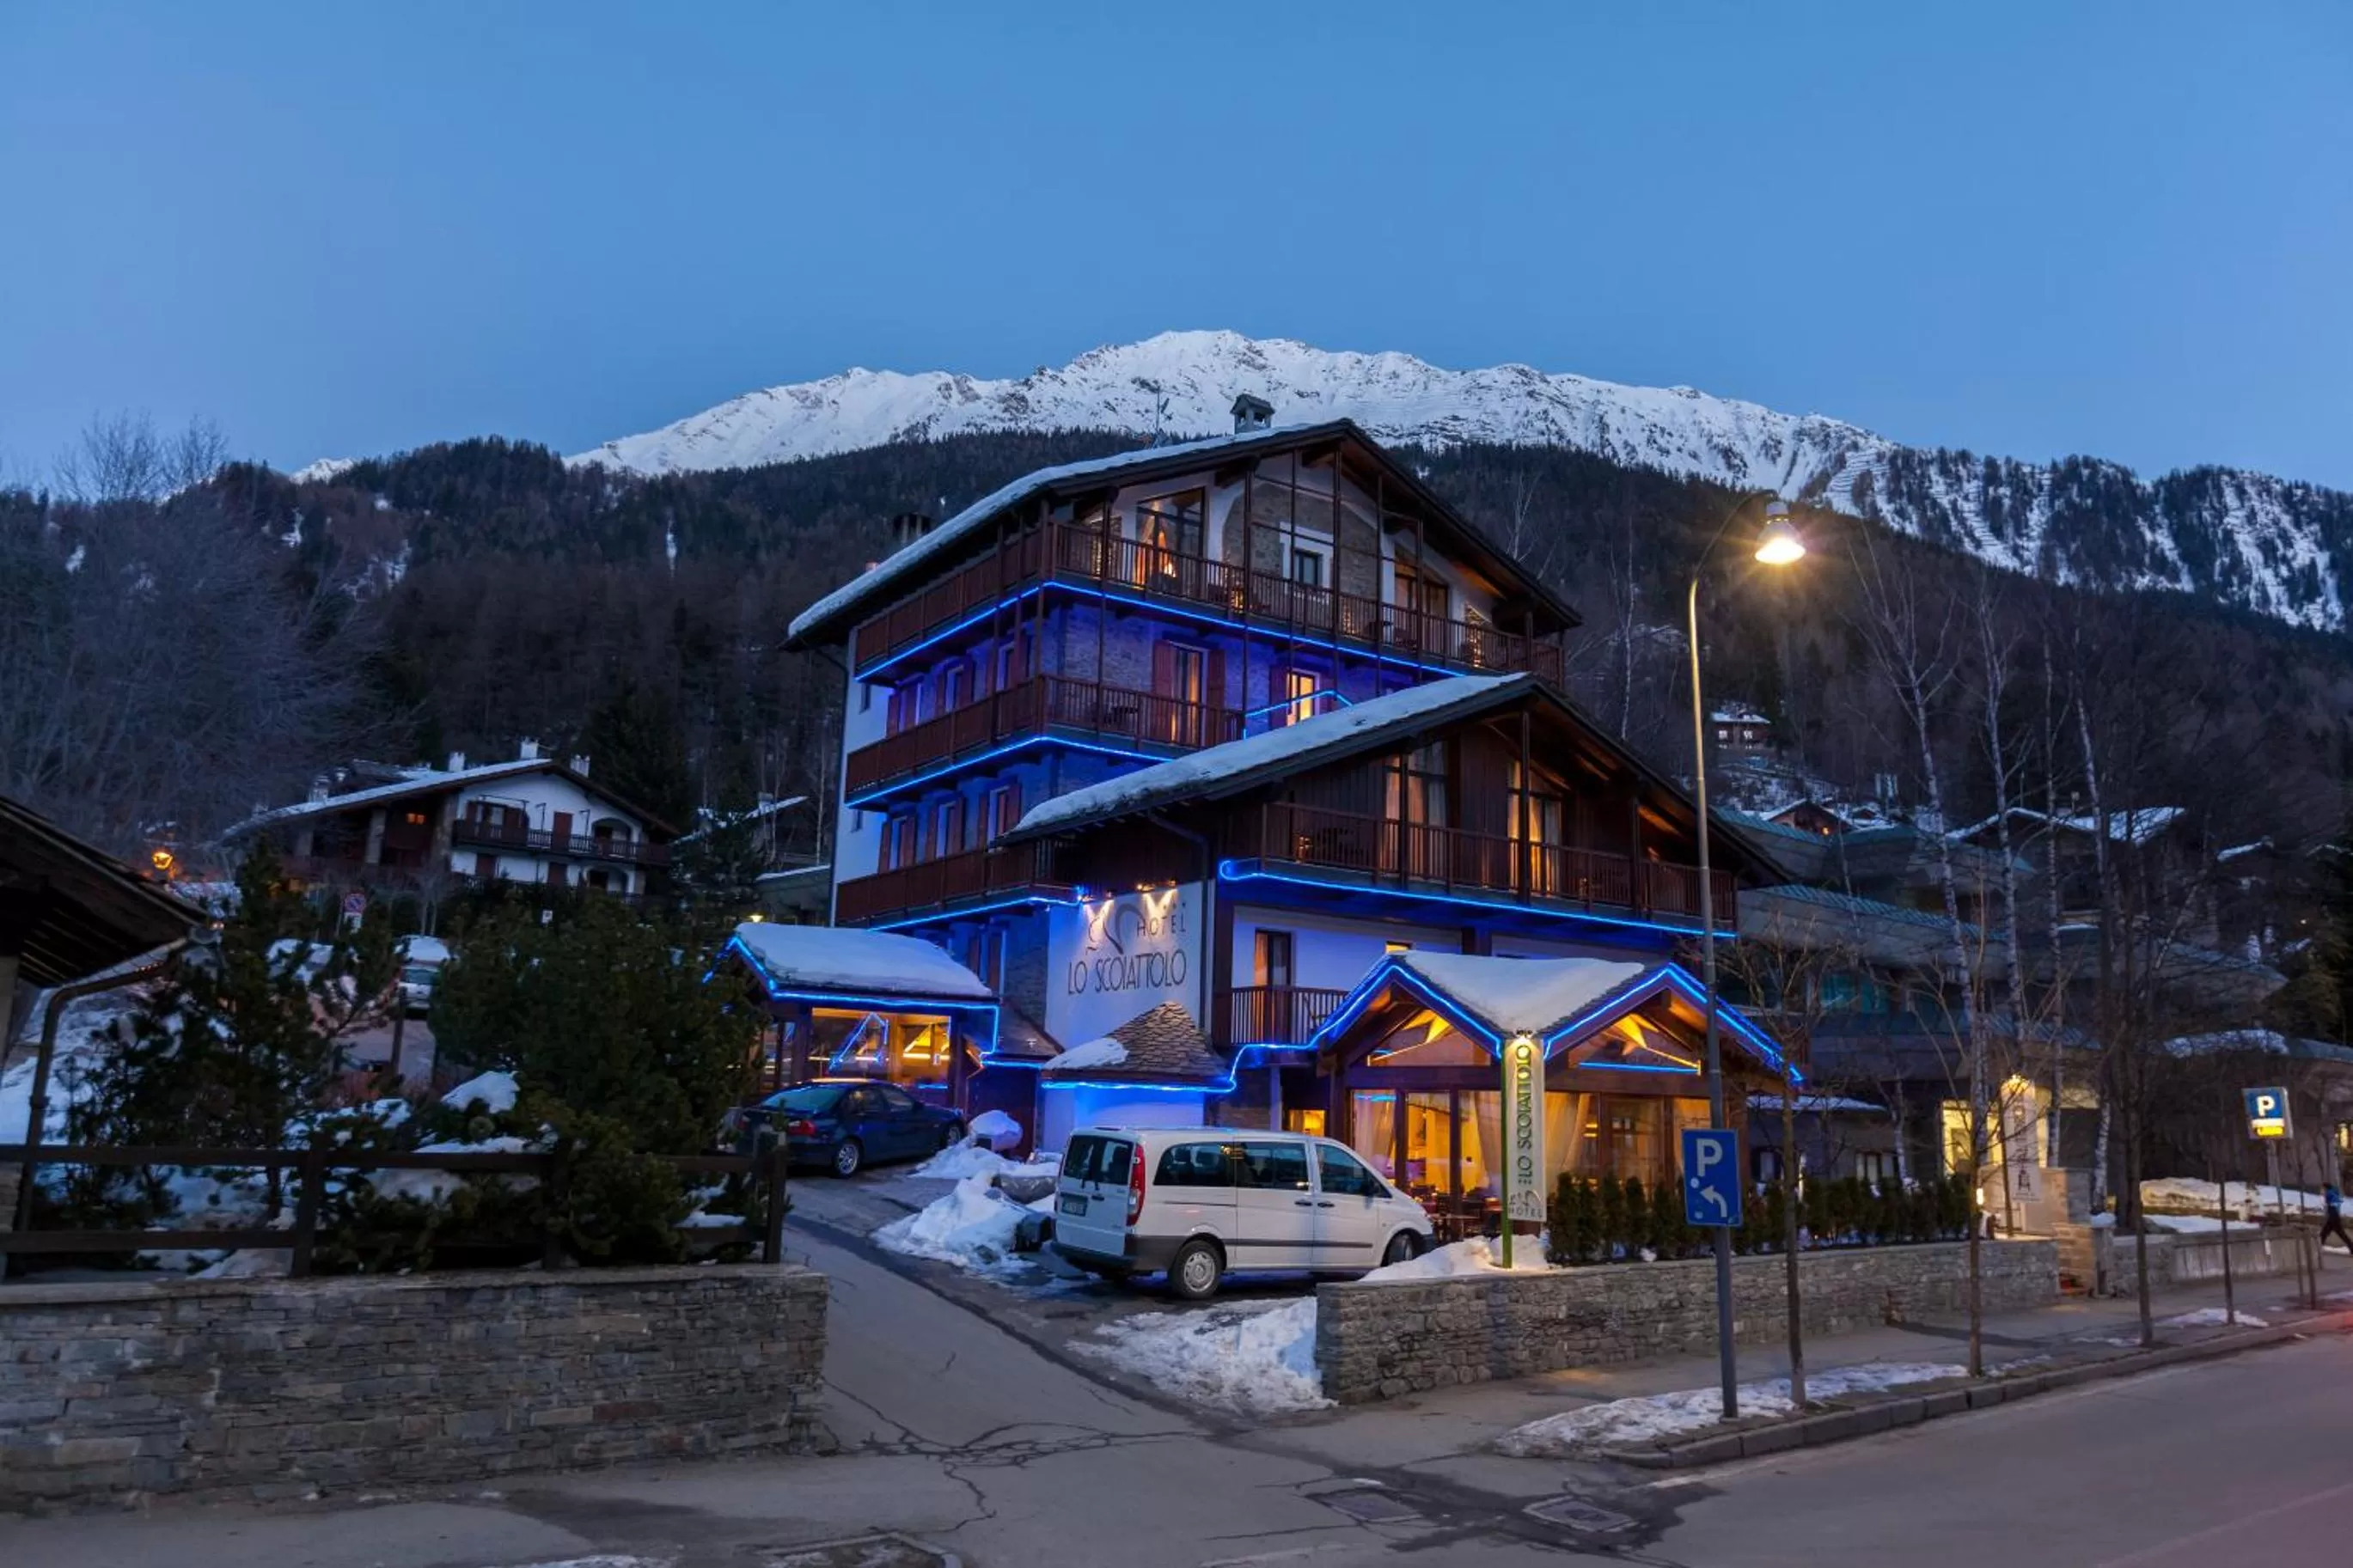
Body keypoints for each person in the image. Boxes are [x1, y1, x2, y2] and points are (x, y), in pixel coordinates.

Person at [2322, 1182, 2353, 1262]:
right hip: (2335, 1216)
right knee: (2340, 1234)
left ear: (2325, 1188)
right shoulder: (2334, 1193)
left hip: (2333, 1217)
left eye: (2323, 1189)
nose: (2322, 1191)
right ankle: (2352, 1248)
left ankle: (2318, 1247)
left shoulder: (2329, 1194)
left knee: (2324, 1233)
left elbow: (2328, 1205)